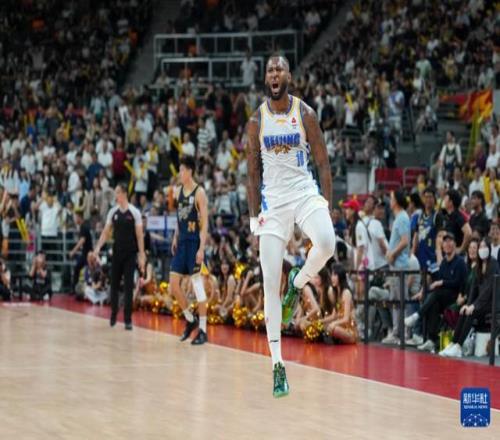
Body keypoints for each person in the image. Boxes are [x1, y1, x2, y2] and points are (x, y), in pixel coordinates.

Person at [246, 54, 335, 397]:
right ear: (266, 78)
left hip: (303, 192)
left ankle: (297, 282)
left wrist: (326, 206)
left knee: (327, 243)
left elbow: (323, 163)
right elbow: (252, 173)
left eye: (279, 69)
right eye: (270, 70)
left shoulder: (305, 113)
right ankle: (277, 365)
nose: (274, 74)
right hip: (272, 203)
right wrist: (254, 219)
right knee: (270, 282)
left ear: (289, 76)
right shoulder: (257, 120)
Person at [92, 183, 145, 330]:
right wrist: (97, 248)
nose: (115, 195)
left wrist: (141, 255)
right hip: (116, 253)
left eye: (117, 192)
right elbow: (105, 233)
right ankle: (114, 314)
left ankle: (128, 320)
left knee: (128, 286)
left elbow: (140, 236)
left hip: (130, 254)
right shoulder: (112, 212)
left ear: (123, 194)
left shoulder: (134, 212)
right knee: (114, 285)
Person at [170, 156, 210, 345]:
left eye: (181, 170)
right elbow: (179, 218)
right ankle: (190, 319)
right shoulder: (177, 191)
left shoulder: (199, 192)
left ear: (189, 171)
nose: (179, 174)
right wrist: (175, 236)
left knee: (198, 286)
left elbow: (205, 223)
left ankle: (203, 330)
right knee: (173, 285)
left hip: (194, 243)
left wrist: (201, 248)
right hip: (182, 242)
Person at [405, 231, 467, 352]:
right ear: (442, 246)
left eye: (450, 241)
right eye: (445, 242)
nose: (447, 244)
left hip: (455, 296)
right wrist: (435, 285)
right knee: (433, 302)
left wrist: (442, 282)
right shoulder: (443, 262)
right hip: (442, 297)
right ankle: (431, 340)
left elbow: (460, 282)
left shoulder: (460, 262)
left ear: (455, 244)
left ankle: (417, 316)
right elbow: (437, 279)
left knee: (437, 293)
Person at [440, 238, 500, 357]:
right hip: (480, 303)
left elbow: (488, 290)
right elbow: (473, 289)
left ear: (489, 248)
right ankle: (453, 343)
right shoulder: (478, 266)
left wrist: (474, 306)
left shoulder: (493, 264)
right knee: (464, 311)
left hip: (491, 303)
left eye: (485, 247)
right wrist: (468, 304)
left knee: (471, 313)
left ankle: (459, 346)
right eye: (480, 247)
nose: (482, 249)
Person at [324, 264, 358, 343]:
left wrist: (334, 323)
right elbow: (333, 315)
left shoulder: (346, 293)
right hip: (340, 326)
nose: (332, 278)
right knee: (325, 326)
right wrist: (319, 321)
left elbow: (346, 319)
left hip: (349, 330)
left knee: (333, 328)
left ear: (341, 276)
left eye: (335, 275)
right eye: (332, 275)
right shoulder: (336, 293)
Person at [69, 209, 93, 295]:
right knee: (77, 269)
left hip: (88, 255)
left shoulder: (84, 227)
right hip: (85, 254)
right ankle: (75, 289)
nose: (75, 219)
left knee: (88, 272)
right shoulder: (84, 226)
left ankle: (89, 290)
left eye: (75, 217)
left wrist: (73, 251)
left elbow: (82, 241)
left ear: (79, 217)